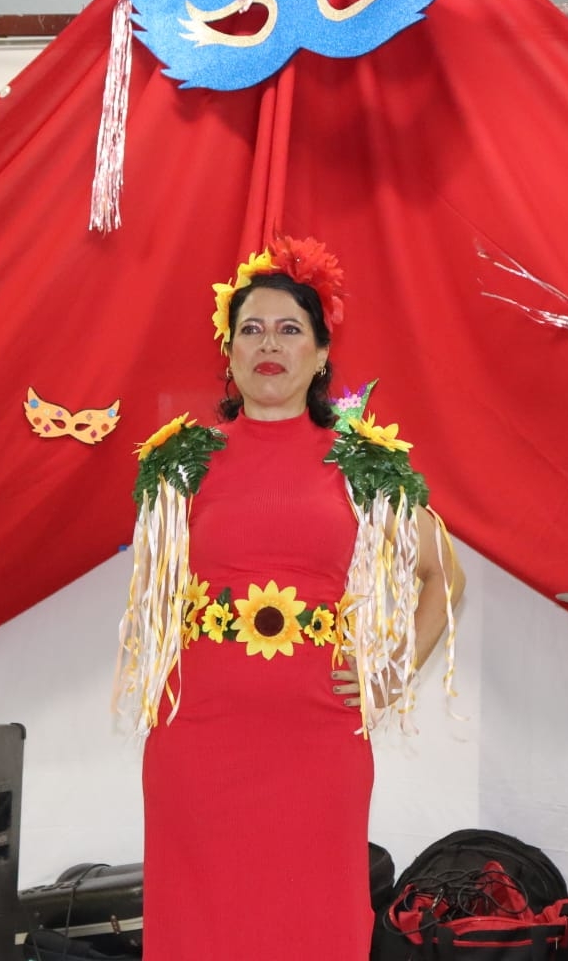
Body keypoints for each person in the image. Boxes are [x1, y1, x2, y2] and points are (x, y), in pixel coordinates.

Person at [114, 234, 464, 958]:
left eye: (289, 329)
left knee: (313, 922)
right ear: (230, 352)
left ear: (321, 352)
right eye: (251, 329)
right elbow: (155, 592)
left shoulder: (364, 464)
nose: (269, 345)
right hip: (198, 737)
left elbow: (445, 578)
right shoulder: (181, 461)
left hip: (318, 739)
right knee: (201, 926)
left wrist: (391, 673)